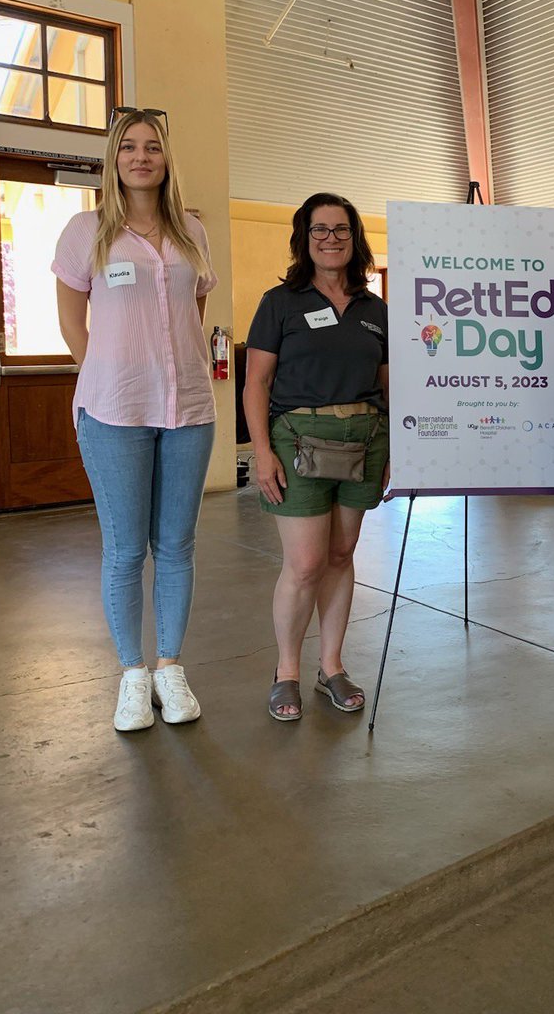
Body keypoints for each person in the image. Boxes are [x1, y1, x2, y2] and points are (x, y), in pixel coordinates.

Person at [54, 109, 217, 732]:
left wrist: (165, 366)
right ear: (113, 158)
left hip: (188, 410)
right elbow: (73, 322)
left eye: (153, 146)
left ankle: (170, 667)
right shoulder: (86, 231)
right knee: (125, 550)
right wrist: (108, 375)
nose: (141, 156)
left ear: (166, 158)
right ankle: (132, 673)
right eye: (129, 146)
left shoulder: (191, 232)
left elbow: (192, 311)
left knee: (176, 546)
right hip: (113, 411)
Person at [243, 192, 389, 721]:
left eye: (341, 229)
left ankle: (331, 665)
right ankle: (287, 672)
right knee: (304, 563)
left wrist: (394, 445)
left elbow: (386, 384)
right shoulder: (280, 302)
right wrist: (262, 452)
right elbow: (255, 383)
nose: (331, 238)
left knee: (341, 554)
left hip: (365, 439)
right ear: (304, 239)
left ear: (356, 239)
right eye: (320, 230)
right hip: (297, 440)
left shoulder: (376, 310)